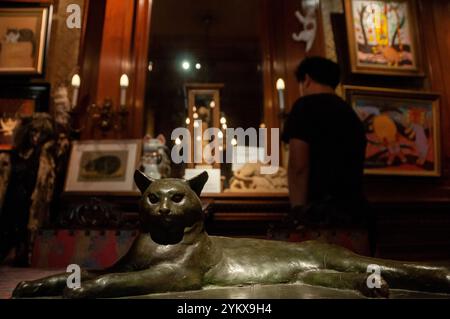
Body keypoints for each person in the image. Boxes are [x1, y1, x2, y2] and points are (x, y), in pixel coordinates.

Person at [280, 56, 373, 254]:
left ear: (306, 79)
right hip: (355, 217)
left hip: (319, 220)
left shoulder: (304, 107)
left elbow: (299, 166)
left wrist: (297, 213)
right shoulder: (350, 114)